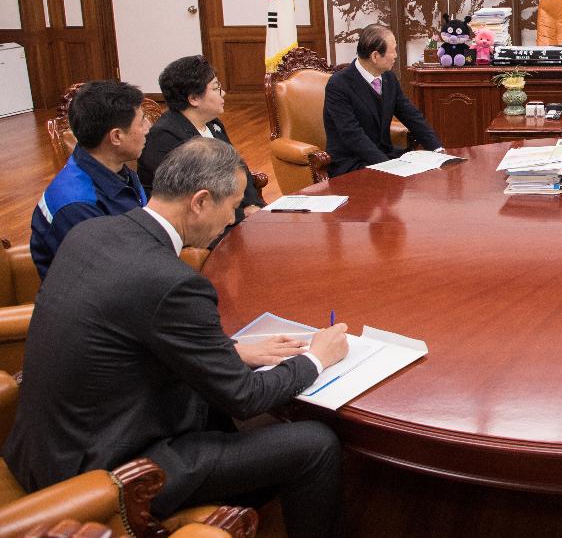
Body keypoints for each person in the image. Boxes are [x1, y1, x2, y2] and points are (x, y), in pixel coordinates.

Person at [4, 139, 350, 538]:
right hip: (106, 476)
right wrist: (316, 359)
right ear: (200, 201)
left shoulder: (92, 233)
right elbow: (245, 397)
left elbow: (127, 335)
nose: (234, 218)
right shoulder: (172, 282)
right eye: (233, 205)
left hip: (42, 448)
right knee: (315, 443)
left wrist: (232, 351)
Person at [30, 80, 151, 278]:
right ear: (116, 137)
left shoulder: (115, 169)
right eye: (142, 121)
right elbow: (108, 277)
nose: (148, 128)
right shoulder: (77, 204)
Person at [139, 55, 264, 225]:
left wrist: (253, 204)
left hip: (233, 216)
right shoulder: (165, 136)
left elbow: (238, 169)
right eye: (216, 88)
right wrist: (242, 215)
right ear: (194, 99)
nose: (223, 93)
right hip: (199, 225)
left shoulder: (213, 124)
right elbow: (196, 195)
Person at [323, 24, 443, 177]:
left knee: (428, 175)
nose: (396, 56)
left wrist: (437, 149)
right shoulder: (338, 84)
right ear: (375, 56)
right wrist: (389, 167)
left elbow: (411, 115)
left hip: (385, 156)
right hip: (352, 162)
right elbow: (352, 134)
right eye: (393, 50)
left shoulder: (388, 78)